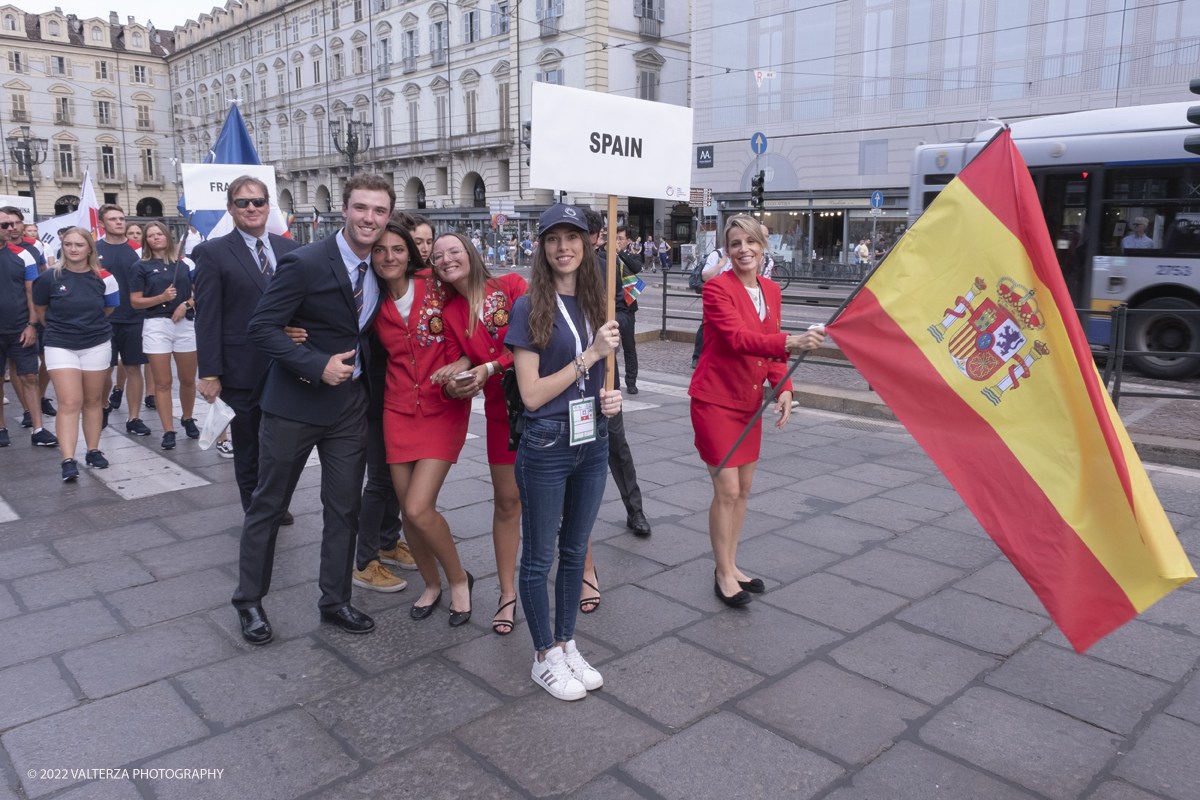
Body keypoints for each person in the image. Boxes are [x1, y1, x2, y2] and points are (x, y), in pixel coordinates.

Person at [231, 173, 393, 644]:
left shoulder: (380, 267)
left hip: (349, 408)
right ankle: (248, 602)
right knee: (268, 505)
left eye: (379, 211)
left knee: (344, 508)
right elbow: (261, 327)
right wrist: (315, 365)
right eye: (362, 208)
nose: (370, 218)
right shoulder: (303, 262)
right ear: (344, 209)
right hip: (294, 405)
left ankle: (336, 600)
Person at [506, 204, 622, 701]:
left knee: (576, 551)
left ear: (590, 242)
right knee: (539, 557)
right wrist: (589, 357)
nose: (563, 247)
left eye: (572, 236)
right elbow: (531, 394)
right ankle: (543, 655)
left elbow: (598, 381)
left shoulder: (600, 305)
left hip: (591, 439)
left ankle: (567, 641)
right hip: (546, 444)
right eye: (553, 238)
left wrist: (610, 398)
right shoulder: (529, 306)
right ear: (542, 247)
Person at [689, 215, 825, 606]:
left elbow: (769, 340)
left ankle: (732, 565)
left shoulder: (771, 289)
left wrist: (783, 386)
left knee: (744, 490)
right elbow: (738, 339)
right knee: (727, 489)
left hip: (748, 403)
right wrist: (792, 343)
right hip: (715, 400)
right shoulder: (717, 290)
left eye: (750, 242)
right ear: (726, 250)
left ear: (763, 247)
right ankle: (721, 572)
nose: (743, 250)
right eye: (735, 244)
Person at [370, 227, 480, 620]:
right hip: (397, 408)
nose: (389, 256)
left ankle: (458, 580)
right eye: (380, 250)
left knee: (419, 508)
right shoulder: (368, 295)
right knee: (406, 511)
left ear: (410, 252)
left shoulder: (434, 283)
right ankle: (432, 584)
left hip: (442, 406)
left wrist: (467, 364)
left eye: (398, 248)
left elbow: (477, 315)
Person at [433, 233, 527, 634]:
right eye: (438, 256)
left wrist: (491, 367)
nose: (447, 259)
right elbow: (462, 360)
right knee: (506, 503)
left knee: (563, 497)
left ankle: (586, 571)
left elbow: (537, 337)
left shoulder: (511, 286)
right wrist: (454, 380)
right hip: (499, 411)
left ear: (470, 253)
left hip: (546, 403)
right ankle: (507, 593)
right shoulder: (452, 312)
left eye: (454, 250)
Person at [194, 177, 301, 522]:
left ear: (269, 206)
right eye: (243, 202)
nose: (251, 208)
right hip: (241, 369)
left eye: (257, 201)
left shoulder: (290, 250)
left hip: (288, 365)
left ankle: (277, 501)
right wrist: (209, 373)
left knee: (284, 446)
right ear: (231, 208)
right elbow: (207, 317)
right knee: (249, 446)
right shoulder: (212, 252)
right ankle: (256, 509)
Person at [31, 228, 119, 481]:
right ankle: (68, 459)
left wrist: (87, 325)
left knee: (93, 401)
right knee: (69, 402)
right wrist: (64, 327)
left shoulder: (105, 277)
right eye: (68, 244)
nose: (73, 249)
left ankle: (93, 450)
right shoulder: (49, 277)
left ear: (90, 248)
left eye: (79, 244)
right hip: (60, 344)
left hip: (97, 344)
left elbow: (109, 307)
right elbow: (40, 309)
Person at [129, 222, 199, 450]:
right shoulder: (140, 266)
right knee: (163, 382)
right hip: (156, 325)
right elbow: (135, 301)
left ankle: (187, 418)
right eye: (151, 235)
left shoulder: (185, 263)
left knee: (188, 379)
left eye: (160, 234)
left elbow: (201, 292)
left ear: (168, 236)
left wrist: (185, 305)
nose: (156, 238)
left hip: (184, 323)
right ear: (145, 241)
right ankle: (168, 429)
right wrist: (161, 298)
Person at [0, 210, 55, 448]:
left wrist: (32, 325)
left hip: (20, 328)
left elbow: (33, 294)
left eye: (13, 224)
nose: (10, 228)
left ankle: (38, 428)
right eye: (4, 224)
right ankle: (1, 428)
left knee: (30, 376)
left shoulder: (23, 255)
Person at [96, 205, 152, 437]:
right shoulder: (93, 249)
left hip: (134, 318)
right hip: (103, 320)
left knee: (133, 368)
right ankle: (103, 406)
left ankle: (134, 418)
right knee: (103, 371)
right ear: (102, 223)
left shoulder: (139, 250)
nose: (119, 222)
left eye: (121, 218)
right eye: (113, 219)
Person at [607, 225, 641, 395]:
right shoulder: (605, 255)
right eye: (615, 238)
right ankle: (613, 381)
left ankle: (631, 381)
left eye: (620, 238)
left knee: (629, 346)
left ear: (628, 241)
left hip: (627, 308)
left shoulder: (630, 255)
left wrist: (619, 253)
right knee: (609, 346)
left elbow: (637, 267)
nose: (617, 241)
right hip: (609, 307)